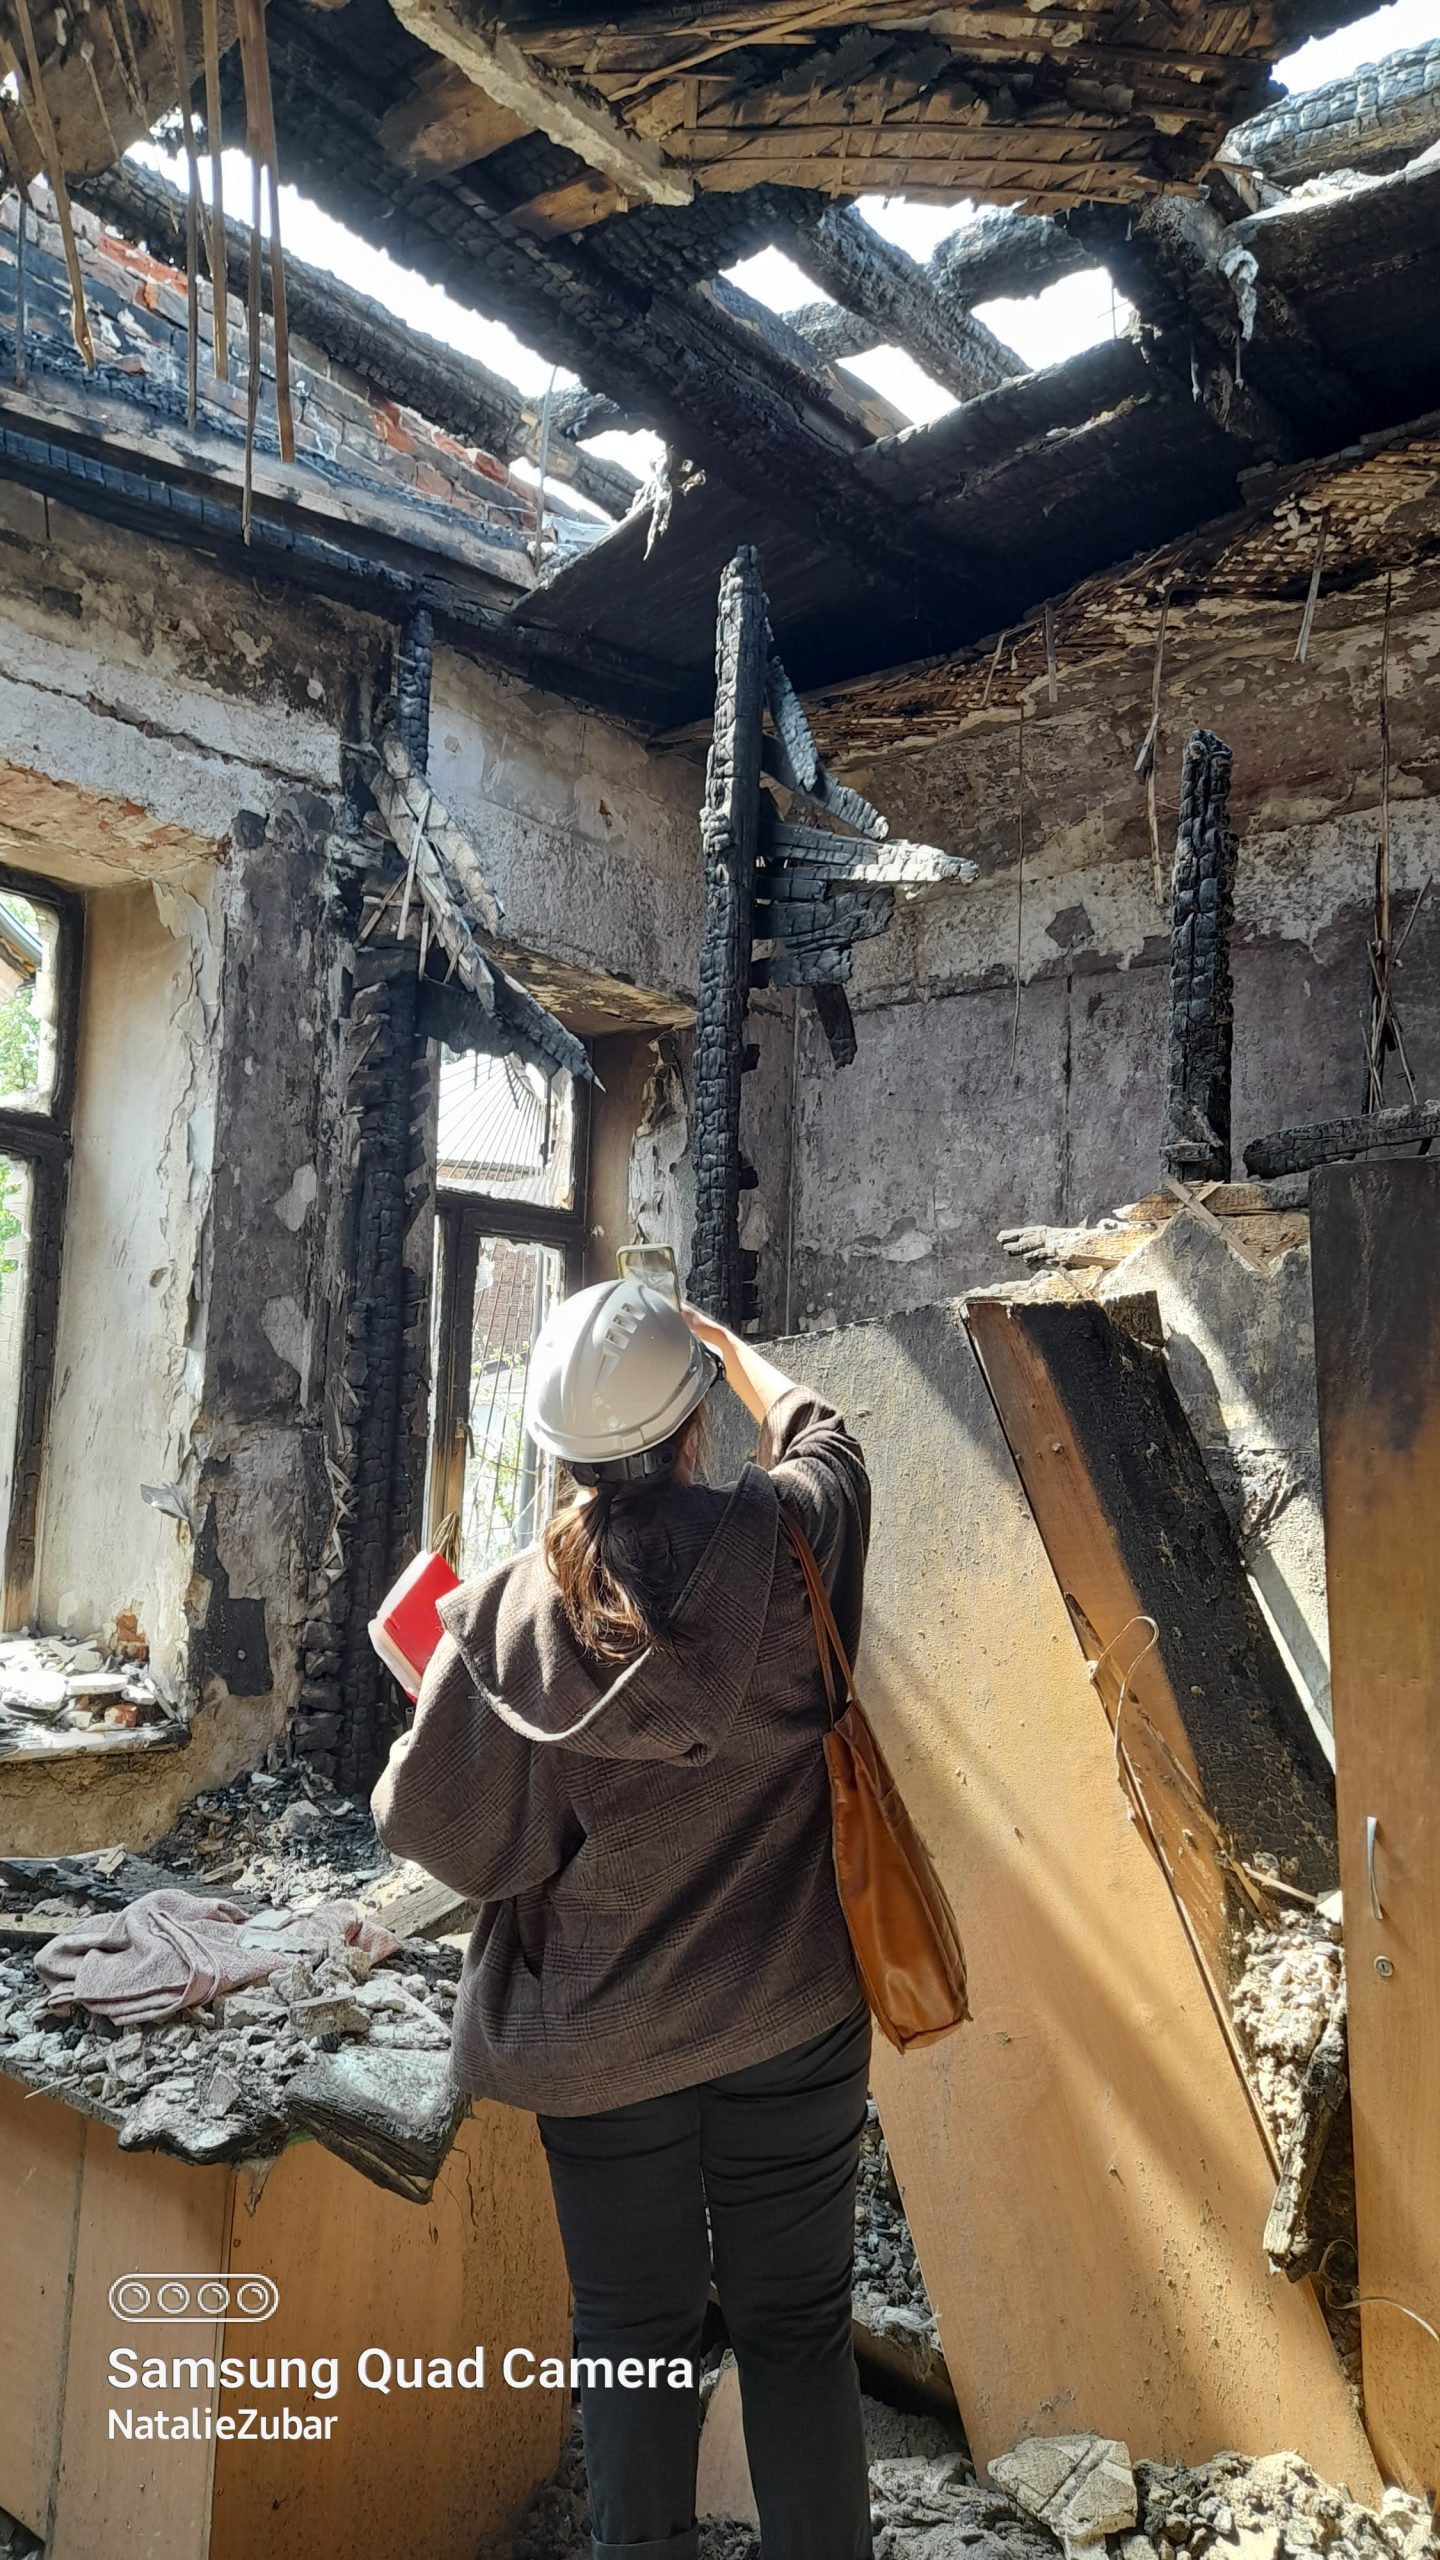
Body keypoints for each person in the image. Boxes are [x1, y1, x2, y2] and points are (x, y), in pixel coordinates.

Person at [372, 1276, 875, 2560]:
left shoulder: (501, 1618)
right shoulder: (797, 1538)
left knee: (633, 2345)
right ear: (694, 1422)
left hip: (603, 2050)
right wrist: (728, 1349)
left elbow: (457, 1842)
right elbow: (832, 1437)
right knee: (797, 2332)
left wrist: (440, 1697)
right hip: (790, 2016)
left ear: (553, 1452)